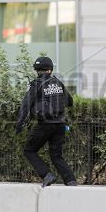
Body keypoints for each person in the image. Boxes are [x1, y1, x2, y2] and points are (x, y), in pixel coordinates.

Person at [16, 56, 77, 187]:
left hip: (44, 125)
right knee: (56, 155)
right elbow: (70, 102)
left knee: (29, 150)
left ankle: (47, 175)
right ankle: (71, 181)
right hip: (60, 124)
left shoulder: (36, 84)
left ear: (37, 71)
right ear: (50, 69)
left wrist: (19, 123)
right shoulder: (58, 82)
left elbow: (25, 105)